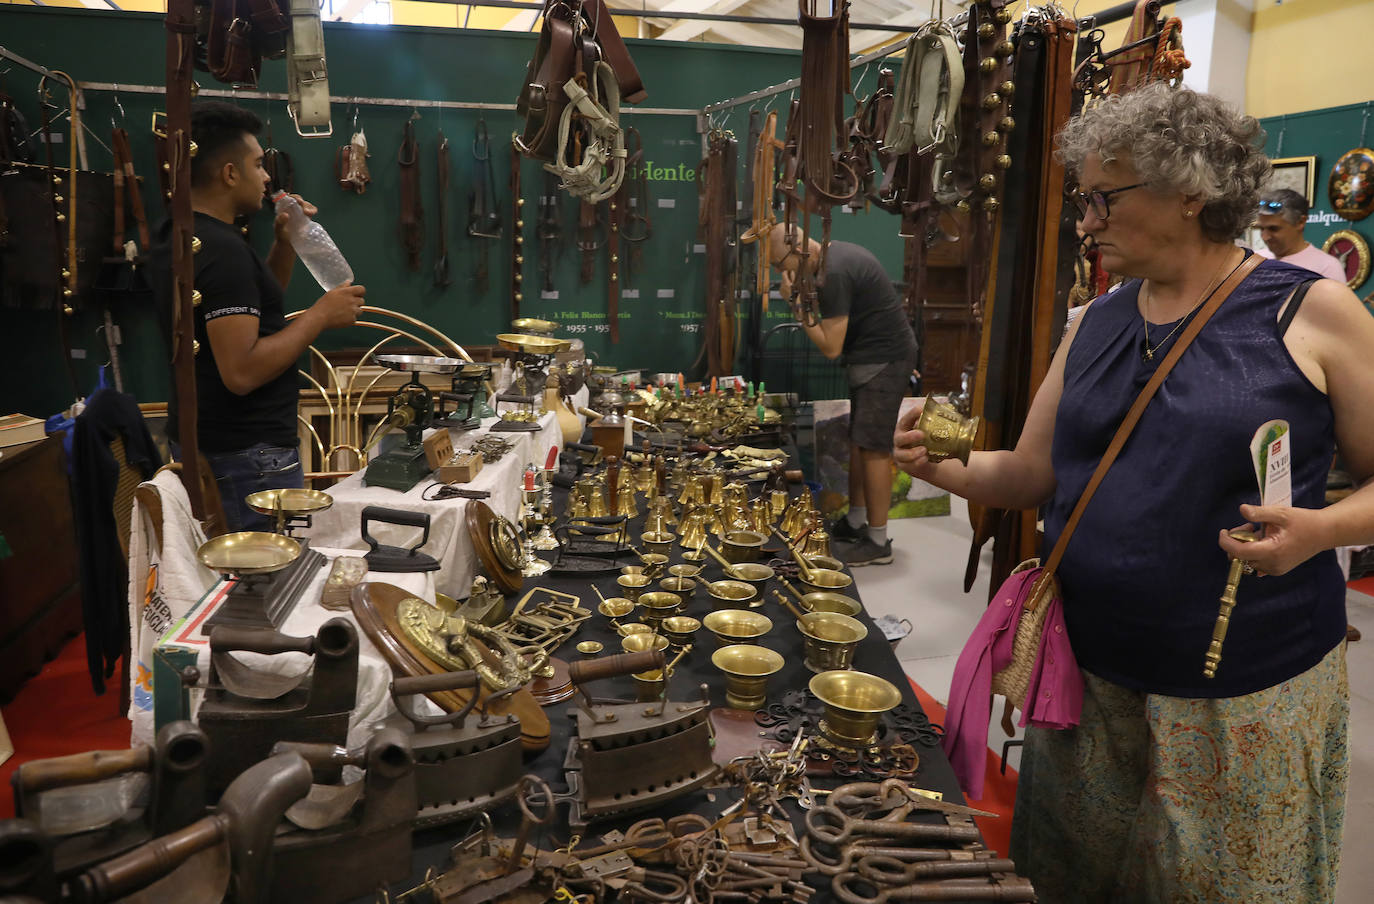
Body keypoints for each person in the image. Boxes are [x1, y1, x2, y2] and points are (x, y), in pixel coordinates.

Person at [894, 83, 1368, 901]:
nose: (1085, 222)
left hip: (1244, 689)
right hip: (1089, 676)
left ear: (1190, 192)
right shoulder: (1096, 321)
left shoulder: (1312, 312)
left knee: (1226, 886)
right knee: (1073, 879)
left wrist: (1321, 531)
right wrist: (946, 470)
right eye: (1083, 201)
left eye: (1103, 198)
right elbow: (1032, 473)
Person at [152, 102, 366, 532]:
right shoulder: (223, 250)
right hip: (249, 457)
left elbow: (255, 311)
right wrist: (320, 316)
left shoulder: (185, 234)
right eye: (257, 164)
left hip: (217, 445)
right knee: (267, 587)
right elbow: (242, 371)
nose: (268, 177)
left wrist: (284, 243)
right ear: (229, 174)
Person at [768, 227, 918, 566]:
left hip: (884, 360)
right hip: (871, 359)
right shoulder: (829, 260)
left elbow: (830, 346)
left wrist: (794, 302)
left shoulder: (834, 272)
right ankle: (855, 521)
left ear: (796, 248)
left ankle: (878, 542)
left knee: (874, 448)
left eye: (779, 263)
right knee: (859, 442)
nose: (781, 272)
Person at [1254, 187, 1347, 282]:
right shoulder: (1254, 260)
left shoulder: (1327, 267)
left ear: (1300, 222)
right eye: (1261, 229)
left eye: (1274, 229)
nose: (1265, 237)